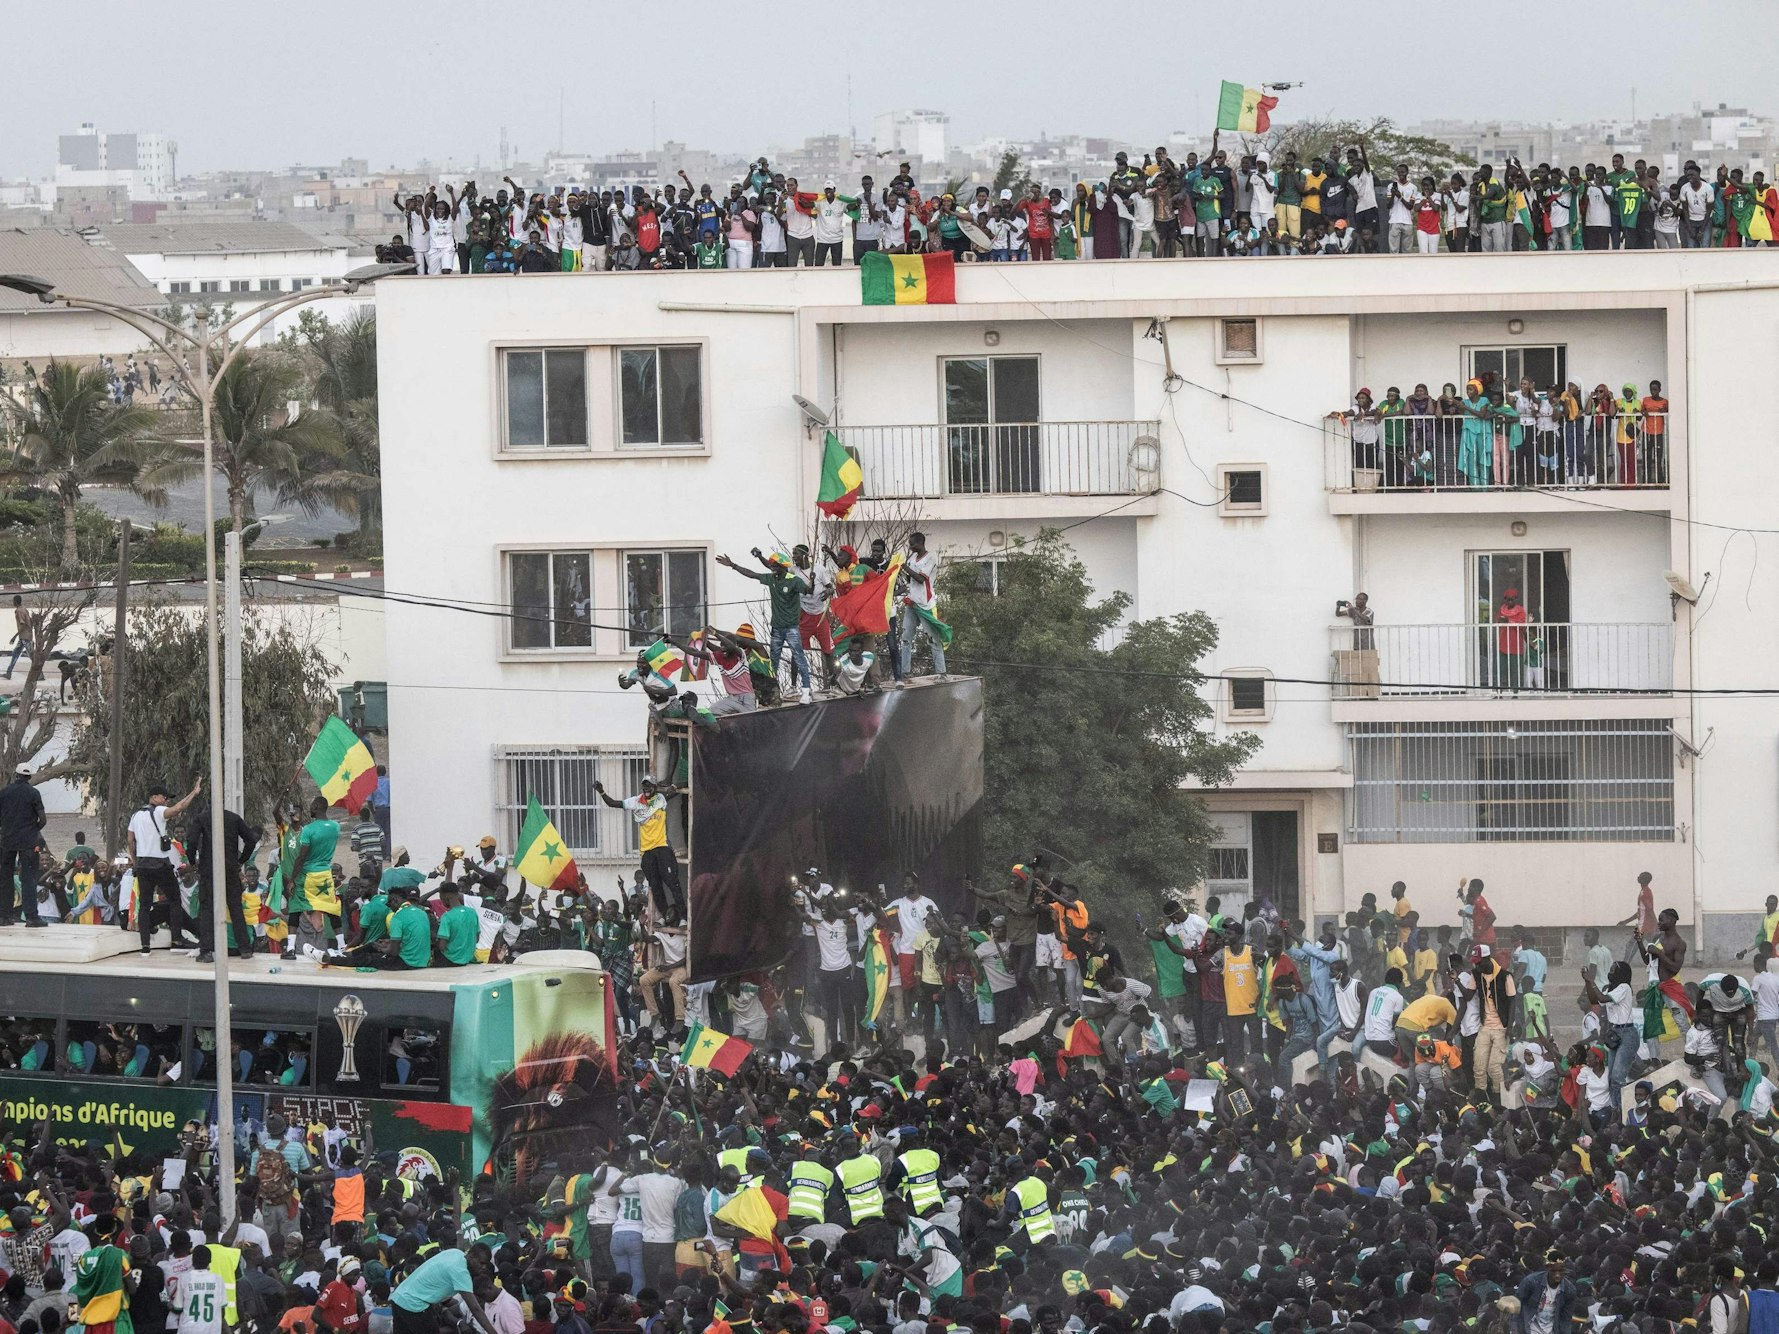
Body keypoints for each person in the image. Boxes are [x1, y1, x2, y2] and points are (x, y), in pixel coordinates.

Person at [716, 548, 812, 705]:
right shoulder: (772, 578)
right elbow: (752, 574)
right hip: (777, 628)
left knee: (799, 657)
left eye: (775, 566)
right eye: (772, 566)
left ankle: (806, 691)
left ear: (782, 567)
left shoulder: (794, 580)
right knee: (772, 662)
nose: (772, 568)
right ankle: (773, 692)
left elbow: (808, 591)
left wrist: (812, 583)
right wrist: (733, 565)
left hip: (791, 628)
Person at [593, 778, 683, 923]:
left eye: (649, 786)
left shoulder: (661, 799)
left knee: (672, 883)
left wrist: (674, 786)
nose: (646, 789)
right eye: (644, 786)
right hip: (646, 851)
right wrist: (601, 791)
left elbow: (682, 785)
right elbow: (612, 803)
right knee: (655, 885)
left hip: (662, 846)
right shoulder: (636, 801)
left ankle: (683, 917)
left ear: (654, 787)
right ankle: (665, 915)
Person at [129, 779, 202, 953]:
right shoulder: (159, 811)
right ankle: (176, 940)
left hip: (143, 865)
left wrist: (136, 862)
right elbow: (179, 808)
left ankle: (145, 946)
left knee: (145, 906)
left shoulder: (136, 815)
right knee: (175, 900)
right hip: (160, 864)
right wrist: (194, 792)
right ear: (154, 797)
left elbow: (130, 841)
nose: (167, 800)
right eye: (165, 797)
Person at [184, 801, 260, 963]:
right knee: (235, 909)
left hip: (209, 870)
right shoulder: (234, 818)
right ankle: (244, 949)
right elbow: (251, 840)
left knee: (207, 910)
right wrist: (241, 860)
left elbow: (191, 842)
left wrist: (193, 862)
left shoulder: (202, 818)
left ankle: (206, 951)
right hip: (230, 870)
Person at [0, 763, 49, 927]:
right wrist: (33, 830)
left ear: (16, 775)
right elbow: (42, 819)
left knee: (5, 878)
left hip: (7, 841)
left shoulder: (4, 793)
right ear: (29, 777)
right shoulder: (33, 793)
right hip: (28, 842)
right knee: (29, 878)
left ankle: (5, 916)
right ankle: (31, 918)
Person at [897, 532, 946, 681]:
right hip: (912, 603)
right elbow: (909, 579)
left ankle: (941, 672)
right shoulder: (912, 558)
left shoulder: (930, 558)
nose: (911, 547)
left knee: (932, 638)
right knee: (906, 638)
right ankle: (905, 672)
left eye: (913, 544)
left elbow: (919, 579)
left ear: (921, 542)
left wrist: (904, 566)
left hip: (926, 604)